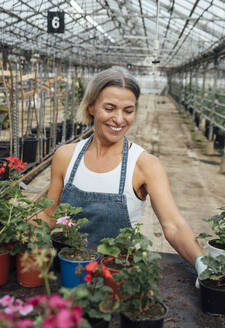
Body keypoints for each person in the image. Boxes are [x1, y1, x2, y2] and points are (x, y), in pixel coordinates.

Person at [39, 67, 205, 273]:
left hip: (116, 276)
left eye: (128, 111)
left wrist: (202, 264)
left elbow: (173, 225)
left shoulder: (145, 165)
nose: (119, 119)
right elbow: (48, 214)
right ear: (91, 107)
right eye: (109, 108)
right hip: (67, 271)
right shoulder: (66, 156)